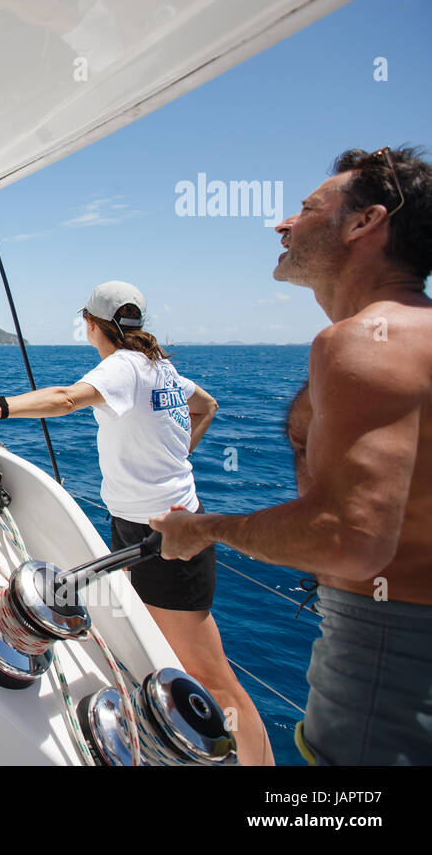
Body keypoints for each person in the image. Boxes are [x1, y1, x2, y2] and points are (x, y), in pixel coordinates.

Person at [151, 146, 432, 765]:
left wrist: (201, 529)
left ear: (364, 224)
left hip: (390, 658)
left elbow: (351, 538)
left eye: (307, 209)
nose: (282, 224)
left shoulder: (362, 343)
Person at [0, 281, 274, 765]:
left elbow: (66, 399)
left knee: (210, 675)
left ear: (90, 322)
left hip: (167, 536)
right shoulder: (159, 366)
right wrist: (175, 458)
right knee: (164, 649)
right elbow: (205, 406)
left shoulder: (123, 367)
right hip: (155, 524)